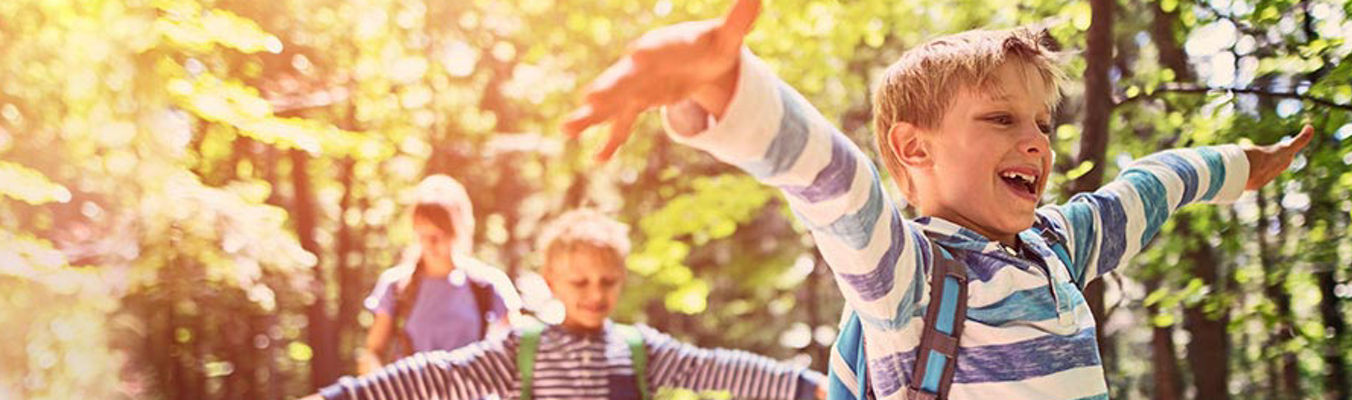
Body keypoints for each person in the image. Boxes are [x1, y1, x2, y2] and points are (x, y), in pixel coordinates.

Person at [559, 1, 1314, 398]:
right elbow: (834, 182)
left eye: (1042, 125)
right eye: (1001, 120)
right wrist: (727, 89)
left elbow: (1151, 186)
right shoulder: (906, 277)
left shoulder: (1060, 244)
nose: (1037, 143)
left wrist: (1241, 163)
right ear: (914, 149)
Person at [306, 209, 827, 400]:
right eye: (579, 281)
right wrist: (342, 396)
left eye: (607, 282)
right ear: (551, 280)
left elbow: (720, 371)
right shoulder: (520, 350)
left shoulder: (638, 349)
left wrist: (810, 388)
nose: (594, 294)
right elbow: (435, 375)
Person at [356, 174, 522, 374]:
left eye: (439, 235)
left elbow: (518, 349)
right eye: (423, 235)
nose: (430, 244)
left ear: (457, 231)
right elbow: (372, 352)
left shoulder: (486, 285)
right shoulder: (396, 286)